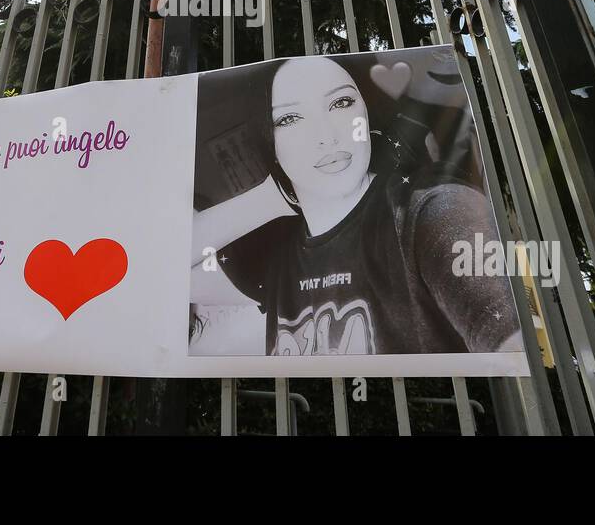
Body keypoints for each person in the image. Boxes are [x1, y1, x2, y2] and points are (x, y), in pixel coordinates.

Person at [190, 52, 521, 357]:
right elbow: (159, 272)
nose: (326, 136)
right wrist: (271, 194)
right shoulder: (275, 260)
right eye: (290, 119)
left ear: (366, 113)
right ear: (271, 143)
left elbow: (509, 337)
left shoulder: (429, 210)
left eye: (340, 103)